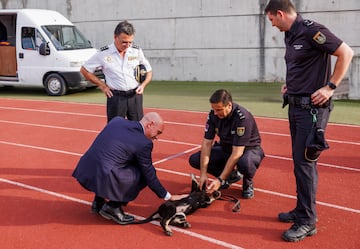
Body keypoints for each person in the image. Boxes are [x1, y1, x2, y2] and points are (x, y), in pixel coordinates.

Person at [264, 0, 354, 242]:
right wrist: (290, 85)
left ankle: (307, 221)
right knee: (298, 162)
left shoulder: (312, 30)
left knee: (305, 163)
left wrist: (330, 87)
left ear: (280, 13)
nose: (272, 24)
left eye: (272, 19)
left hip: (312, 111)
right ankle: (301, 210)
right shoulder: (291, 34)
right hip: (296, 106)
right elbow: (301, 64)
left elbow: (346, 52)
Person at [72, 112, 185, 225]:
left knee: (116, 162)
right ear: (150, 124)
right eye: (158, 132)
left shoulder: (117, 121)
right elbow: (148, 173)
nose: (156, 137)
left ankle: (98, 201)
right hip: (103, 175)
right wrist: (167, 195)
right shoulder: (144, 143)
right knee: (142, 174)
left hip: (86, 169)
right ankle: (113, 207)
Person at [188, 89, 265, 199]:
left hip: (248, 150)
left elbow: (237, 153)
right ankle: (230, 176)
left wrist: (220, 180)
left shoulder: (242, 118)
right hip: (226, 147)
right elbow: (206, 144)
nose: (215, 113)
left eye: (219, 109)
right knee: (195, 160)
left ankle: (247, 183)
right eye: (214, 109)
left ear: (229, 105)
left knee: (245, 163)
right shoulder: (213, 115)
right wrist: (203, 174)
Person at [80, 20, 153, 122]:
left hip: (135, 96)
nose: (127, 45)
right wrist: (102, 86)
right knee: (115, 130)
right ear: (115, 37)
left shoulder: (136, 51)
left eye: (130, 42)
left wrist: (143, 85)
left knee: (138, 128)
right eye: (124, 42)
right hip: (116, 98)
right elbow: (84, 70)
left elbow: (149, 70)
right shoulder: (103, 53)